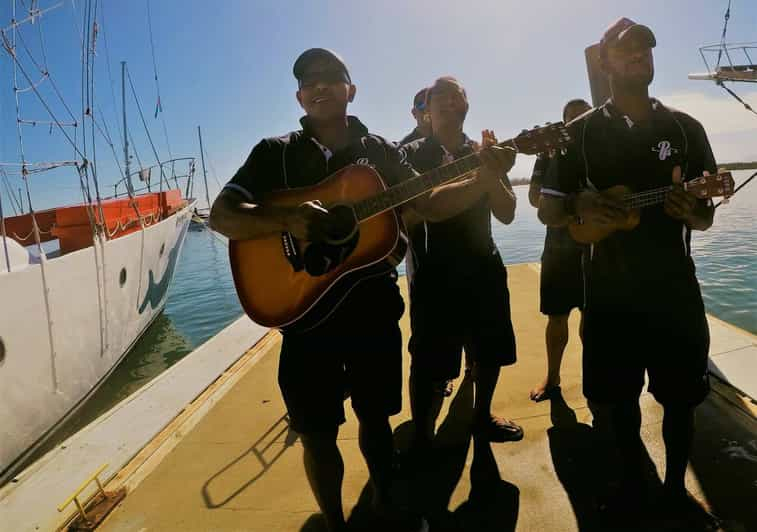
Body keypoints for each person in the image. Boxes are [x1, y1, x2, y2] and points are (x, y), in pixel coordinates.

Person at [210, 50, 513, 532]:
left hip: (373, 314)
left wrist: (484, 173)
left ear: (351, 90)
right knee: (316, 434)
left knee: (376, 421)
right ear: (299, 96)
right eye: (309, 81)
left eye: (332, 78)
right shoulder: (275, 152)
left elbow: (430, 204)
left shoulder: (381, 151)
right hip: (304, 319)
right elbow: (222, 215)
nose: (320, 86)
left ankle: (386, 507)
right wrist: (289, 218)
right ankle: (334, 522)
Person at [538, 19, 719, 527]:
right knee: (617, 403)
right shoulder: (580, 133)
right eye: (627, 49)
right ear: (604, 63)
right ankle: (632, 486)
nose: (639, 54)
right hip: (609, 294)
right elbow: (551, 212)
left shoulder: (685, 128)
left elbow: (706, 215)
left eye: (645, 48)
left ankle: (675, 489)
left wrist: (693, 211)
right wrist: (584, 203)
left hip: (674, 290)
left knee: (681, 400)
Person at [402, 76, 522, 458]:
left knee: (489, 353)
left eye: (458, 95)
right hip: (434, 274)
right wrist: (481, 177)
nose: (450, 101)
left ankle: (481, 415)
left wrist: (492, 175)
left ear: (467, 106)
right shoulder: (410, 154)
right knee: (429, 364)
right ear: (426, 109)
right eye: (440, 96)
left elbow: (506, 212)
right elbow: (423, 208)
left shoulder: (483, 151)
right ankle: (422, 436)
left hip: (485, 266)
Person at [528, 98, 592, 402]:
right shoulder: (548, 153)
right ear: (563, 123)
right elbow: (533, 199)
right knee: (557, 317)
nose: (579, 123)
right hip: (557, 245)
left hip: (596, 244)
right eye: (572, 120)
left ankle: (594, 376)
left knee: (591, 315)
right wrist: (569, 205)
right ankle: (552, 378)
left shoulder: (602, 150)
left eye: (585, 117)